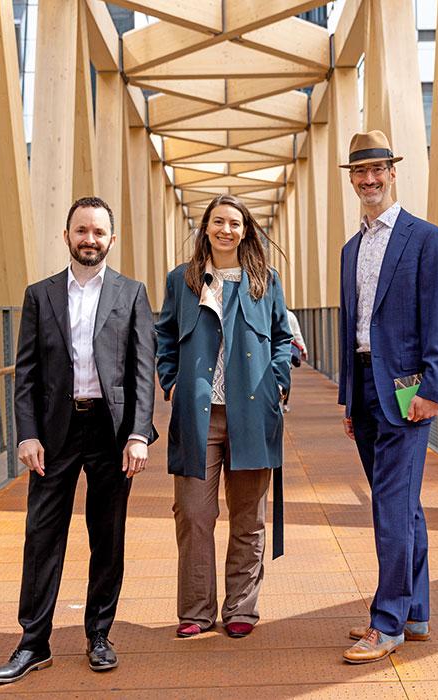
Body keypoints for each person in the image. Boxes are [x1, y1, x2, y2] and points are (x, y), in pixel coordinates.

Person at [0, 197, 157, 683]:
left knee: (107, 535)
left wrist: (139, 434)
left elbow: (142, 372)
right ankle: (33, 642)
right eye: (81, 230)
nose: (90, 239)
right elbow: (27, 373)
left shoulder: (132, 293)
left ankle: (99, 634)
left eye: (98, 232)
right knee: (42, 535)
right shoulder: (39, 295)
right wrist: (27, 433)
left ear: (111, 239)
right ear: (67, 236)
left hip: (110, 431)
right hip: (55, 432)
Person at [336, 131, 438, 664]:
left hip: (408, 394)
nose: (369, 180)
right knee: (405, 508)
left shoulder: (426, 239)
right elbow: (352, 326)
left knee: (390, 508)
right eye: (360, 172)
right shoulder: (350, 249)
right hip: (364, 390)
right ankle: (416, 612)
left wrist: (433, 389)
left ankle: (386, 625)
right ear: (352, 178)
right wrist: (347, 398)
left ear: (392, 172)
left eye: (377, 169)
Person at [156, 194, 293, 640]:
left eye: (235, 223)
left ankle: (241, 608)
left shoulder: (265, 281)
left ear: (246, 230)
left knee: (248, 516)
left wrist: (278, 382)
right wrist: (171, 381)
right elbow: (164, 336)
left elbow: (281, 337)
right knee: (194, 513)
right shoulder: (183, 281)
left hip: (253, 413)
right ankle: (196, 610)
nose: (226, 230)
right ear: (206, 228)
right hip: (198, 415)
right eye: (218, 222)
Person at [283, 310, 307, 412]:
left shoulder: (270, 312)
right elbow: (297, 334)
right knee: (285, 375)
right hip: (288, 348)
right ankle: (284, 403)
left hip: (274, 349)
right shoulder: (290, 315)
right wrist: (303, 349)